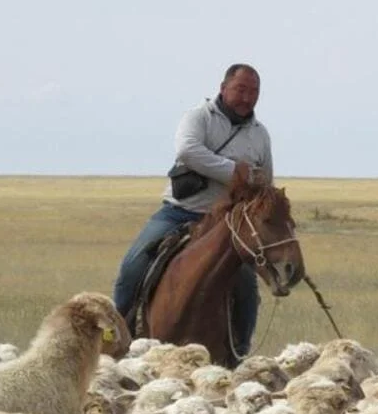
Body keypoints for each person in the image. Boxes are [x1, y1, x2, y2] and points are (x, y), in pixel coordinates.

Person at [112, 63, 273, 357]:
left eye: (253, 92)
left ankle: (239, 350)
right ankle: (116, 339)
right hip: (181, 212)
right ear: (223, 88)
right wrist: (235, 171)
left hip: (227, 225)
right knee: (132, 266)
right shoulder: (199, 117)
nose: (247, 98)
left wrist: (259, 187)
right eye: (240, 89)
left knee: (247, 285)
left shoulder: (260, 134)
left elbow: (265, 180)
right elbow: (188, 151)